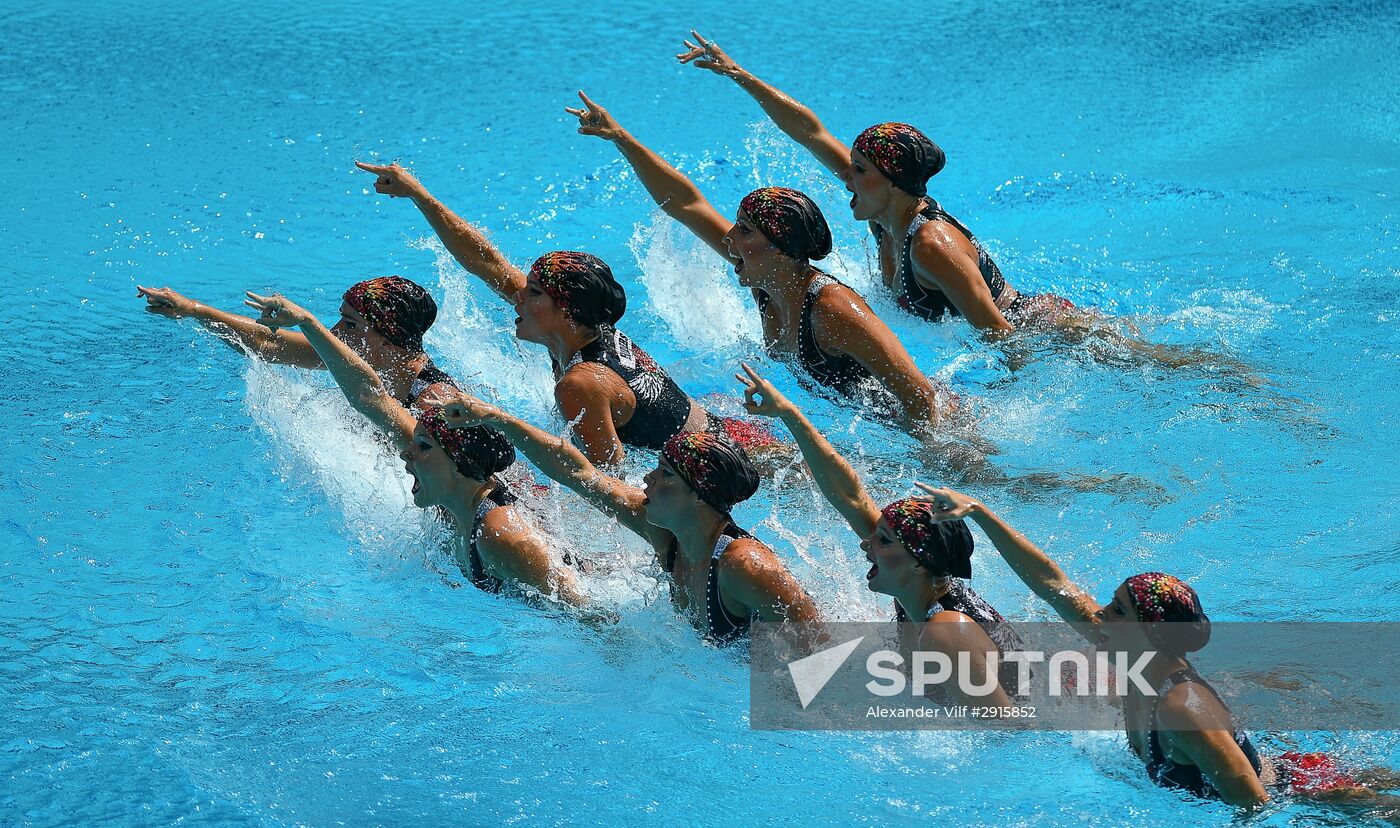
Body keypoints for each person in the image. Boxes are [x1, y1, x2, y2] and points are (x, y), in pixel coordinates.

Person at [676, 32, 1258, 373]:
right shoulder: (883, 210)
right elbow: (811, 133)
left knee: (1159, 361)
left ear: (892, 179)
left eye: (858, 170)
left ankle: (1230, 374)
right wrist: (738, 74)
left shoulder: (931, 244)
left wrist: (1010, 394)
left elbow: (999, 334)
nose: (844, 178)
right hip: (1003, 322)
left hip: (1047, 329)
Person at [914, 485, 1393, 808]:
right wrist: (979, 511)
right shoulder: (1134, 657)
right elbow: (1050, 582)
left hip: (1319, 797)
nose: (1100, 613)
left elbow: (1255, 809)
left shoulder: (1183, 708)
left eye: (1118, 609)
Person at [565, 93, 954, 432]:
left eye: (746, 231)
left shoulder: (833, 310)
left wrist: (922, 453)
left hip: (944, 430)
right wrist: (620, 138)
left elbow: (919, 394)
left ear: (781, 248)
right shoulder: (770, 282)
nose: (730, 238)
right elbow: (685, 205)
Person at [355, 161, 780, 465]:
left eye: (534, 292)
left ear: (568, 314)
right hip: (733, 436)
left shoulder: (580, 384)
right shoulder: (585, 332)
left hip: (745, 462)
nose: (519, 296)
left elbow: (610, 486)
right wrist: (420, 196)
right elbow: (487, 262)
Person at [242, 290, 586, 606]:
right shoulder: (456, 501)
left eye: (421, 446)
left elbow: (590, 614)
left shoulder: (500, 534)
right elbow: (367, 397)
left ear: (456, 459)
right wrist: (307, 323)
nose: (406, 452)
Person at [418, 385, 820, 644]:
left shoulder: (744, 567)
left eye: (664, 474)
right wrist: (495, 417)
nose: (646, 478)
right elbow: (576, 471)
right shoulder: (666, 534)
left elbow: (824, 651)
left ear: (698, 495)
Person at [736, 364, 1017, 703]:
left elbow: (1010, 728)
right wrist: (789, 413)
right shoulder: (918, 588)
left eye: (883, 540)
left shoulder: (945, 631)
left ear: (918, 562)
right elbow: (849, 495)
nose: (865, 543)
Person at [138, 276, 457, 406]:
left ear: (388, 340)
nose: (336, 331)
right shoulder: (366, 355)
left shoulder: (435, 400)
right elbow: (268, 344)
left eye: (349, 323)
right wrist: (195, 310)